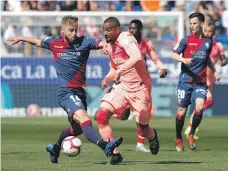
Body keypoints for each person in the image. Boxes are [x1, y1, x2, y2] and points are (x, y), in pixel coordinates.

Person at [7, 15, 123, 164]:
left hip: (80, 92)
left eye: (76, 30)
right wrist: (22, 38)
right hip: (65, 92)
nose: (74, 33)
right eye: (71, 30)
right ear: (63, 30)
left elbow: (102, 43)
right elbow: (37, 42)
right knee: (85, 119)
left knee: (77, 130)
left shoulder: (85, 42)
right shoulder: (54, 42)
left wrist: (107, 47)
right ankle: (105, 146)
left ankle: (55, 148)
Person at [95, 17, 160, 165]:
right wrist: (107, 77)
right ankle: (115, 153)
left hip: (140, 87)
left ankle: (152, 137)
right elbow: (115, 67)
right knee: (101, 116)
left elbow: (136, 56)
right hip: (123, 86)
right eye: (104, 30)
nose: (106, 33)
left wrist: (121, 70)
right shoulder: (110, 47)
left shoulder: (126, 38)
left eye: (109, 29)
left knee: (142, 128)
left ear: (118, 29)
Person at [111, 19, 167, 153]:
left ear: (140, 30)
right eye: (129, 28)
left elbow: (154, 58)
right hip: (126, 82)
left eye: (134, 28)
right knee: (124, 115)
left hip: (142, 84)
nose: (131, 31)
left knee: (141, 116)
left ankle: (141, 143)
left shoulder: (146, 43)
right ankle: (108, 114)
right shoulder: (124, 41)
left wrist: (161, 68)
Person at [172, 12, 220, 152]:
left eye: (195, 23)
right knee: (182, 111)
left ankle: (191, 133)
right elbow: (174, 54)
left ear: (201, 24)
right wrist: (183, 59)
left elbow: (207, 59)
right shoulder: (185, 40)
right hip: (185, 81)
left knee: (199, 107)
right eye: (191, 23)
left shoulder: (208, 42)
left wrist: (215, 70)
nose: (192, 26)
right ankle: (178, 138)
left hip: (200, 81)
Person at [184, 24, 227, 139]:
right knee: (206, 101)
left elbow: (224, 60)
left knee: (205, 103)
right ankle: (190, 128)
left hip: (210, 77)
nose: (207, 33)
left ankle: (192, 127)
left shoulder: (218, 45)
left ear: (214, 33)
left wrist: (220, 63)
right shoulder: (199, 44)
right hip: (200, 77)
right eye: (206, 31)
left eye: (210, 31)